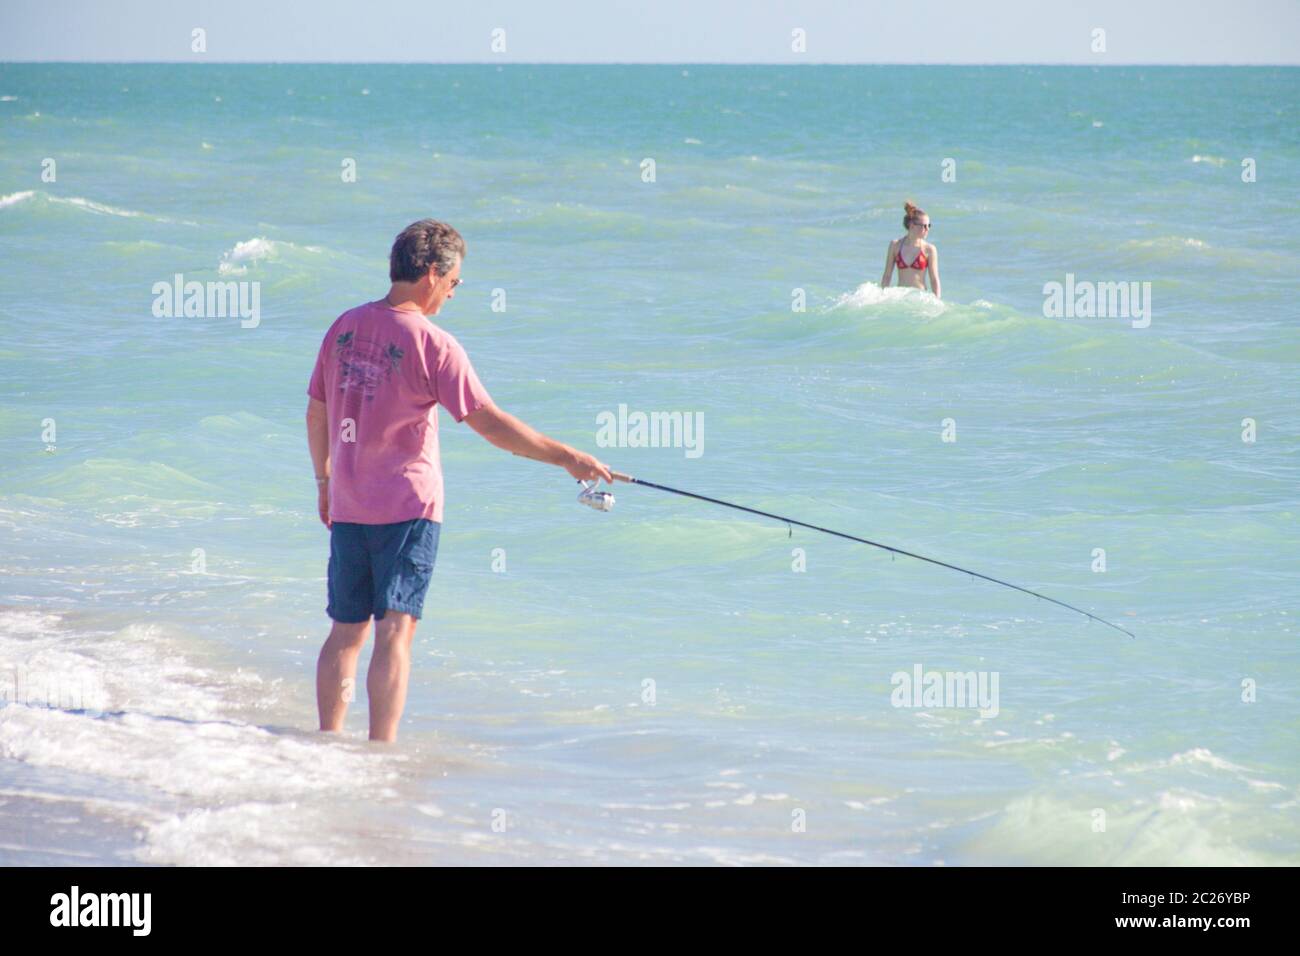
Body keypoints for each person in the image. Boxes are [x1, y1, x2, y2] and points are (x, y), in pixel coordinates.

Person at [305, 219, 612, 742]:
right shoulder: (434, 343)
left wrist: (325, 481)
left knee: (345, 631)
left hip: (350, 505)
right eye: (454, 281)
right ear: (430, 274)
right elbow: (491, 425)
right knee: (395, 632)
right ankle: (381, 750)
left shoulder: (345, 327)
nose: (454, 291)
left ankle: (328, 740)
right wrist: (567, 457)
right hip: (407, 509)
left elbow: (317, 411)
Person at [880, 200, 941, 299]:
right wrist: (882, 297)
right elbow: (887, 276)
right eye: (924, 226)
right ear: (912, 226)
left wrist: (937, 301)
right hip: (901, 297)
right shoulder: (895, 245)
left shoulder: (929, 249)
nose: (927, 229)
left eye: (929, 225)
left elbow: (934, 279)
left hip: (920, 298)